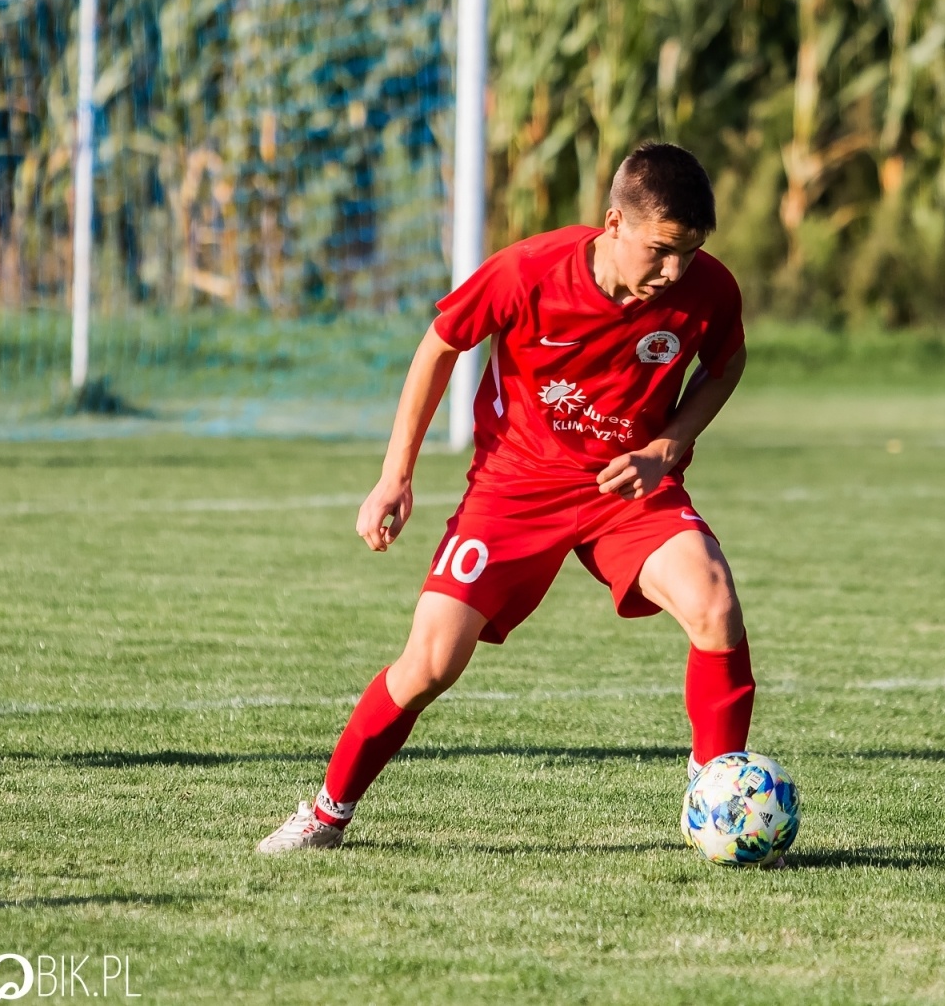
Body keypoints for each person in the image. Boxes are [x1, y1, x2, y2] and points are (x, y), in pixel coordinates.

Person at [258, 143, 756, 850]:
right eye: (661, 250)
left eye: (691, 252)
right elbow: (439, 345)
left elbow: (726, 363)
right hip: (514, 487)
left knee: (714, 604)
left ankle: (717, 795)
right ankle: (326, 813)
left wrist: (668, 445)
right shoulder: (528, 272)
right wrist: (396, 474)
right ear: (613, 222)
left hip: (627, 487)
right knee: (430, 664)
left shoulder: (706, 289)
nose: (675, 270)